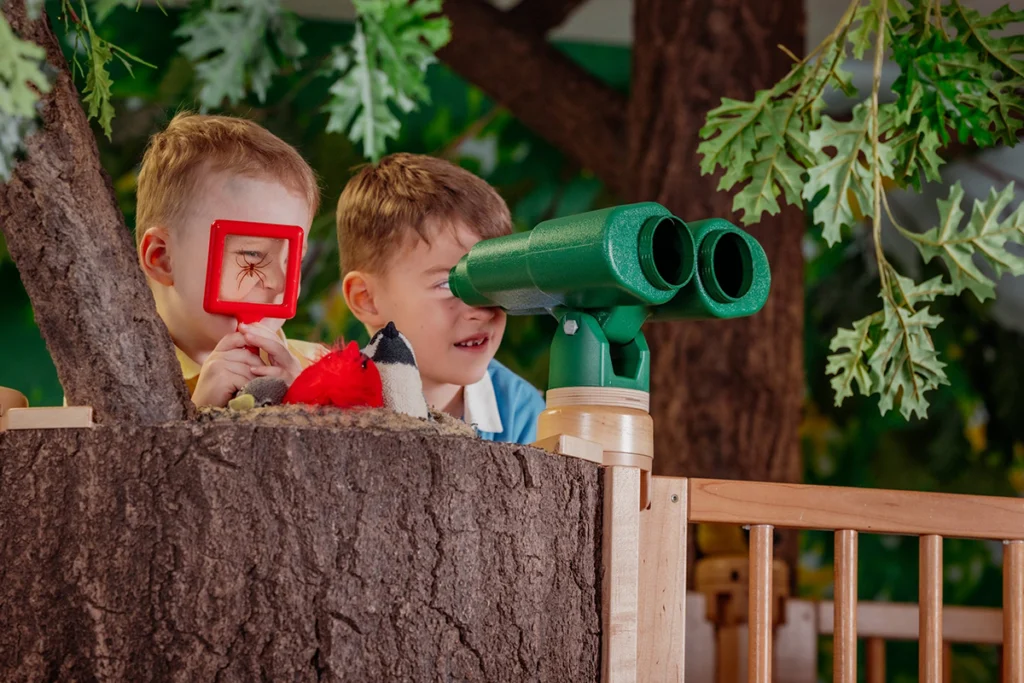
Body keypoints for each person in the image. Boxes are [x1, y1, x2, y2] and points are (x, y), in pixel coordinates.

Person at [336, 153, 546, 444]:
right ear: (366, 299)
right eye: (448, 283)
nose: (482, 309)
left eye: (494, 280)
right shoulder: (332, 405)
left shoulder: (524, 415)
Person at [134, 112, 327, 407]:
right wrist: (199, 418)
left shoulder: (322, 370)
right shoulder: (118, 381)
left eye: (293, 260)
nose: (280, 284)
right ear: (162, 258)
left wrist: (307, 409)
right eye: (253, 254)